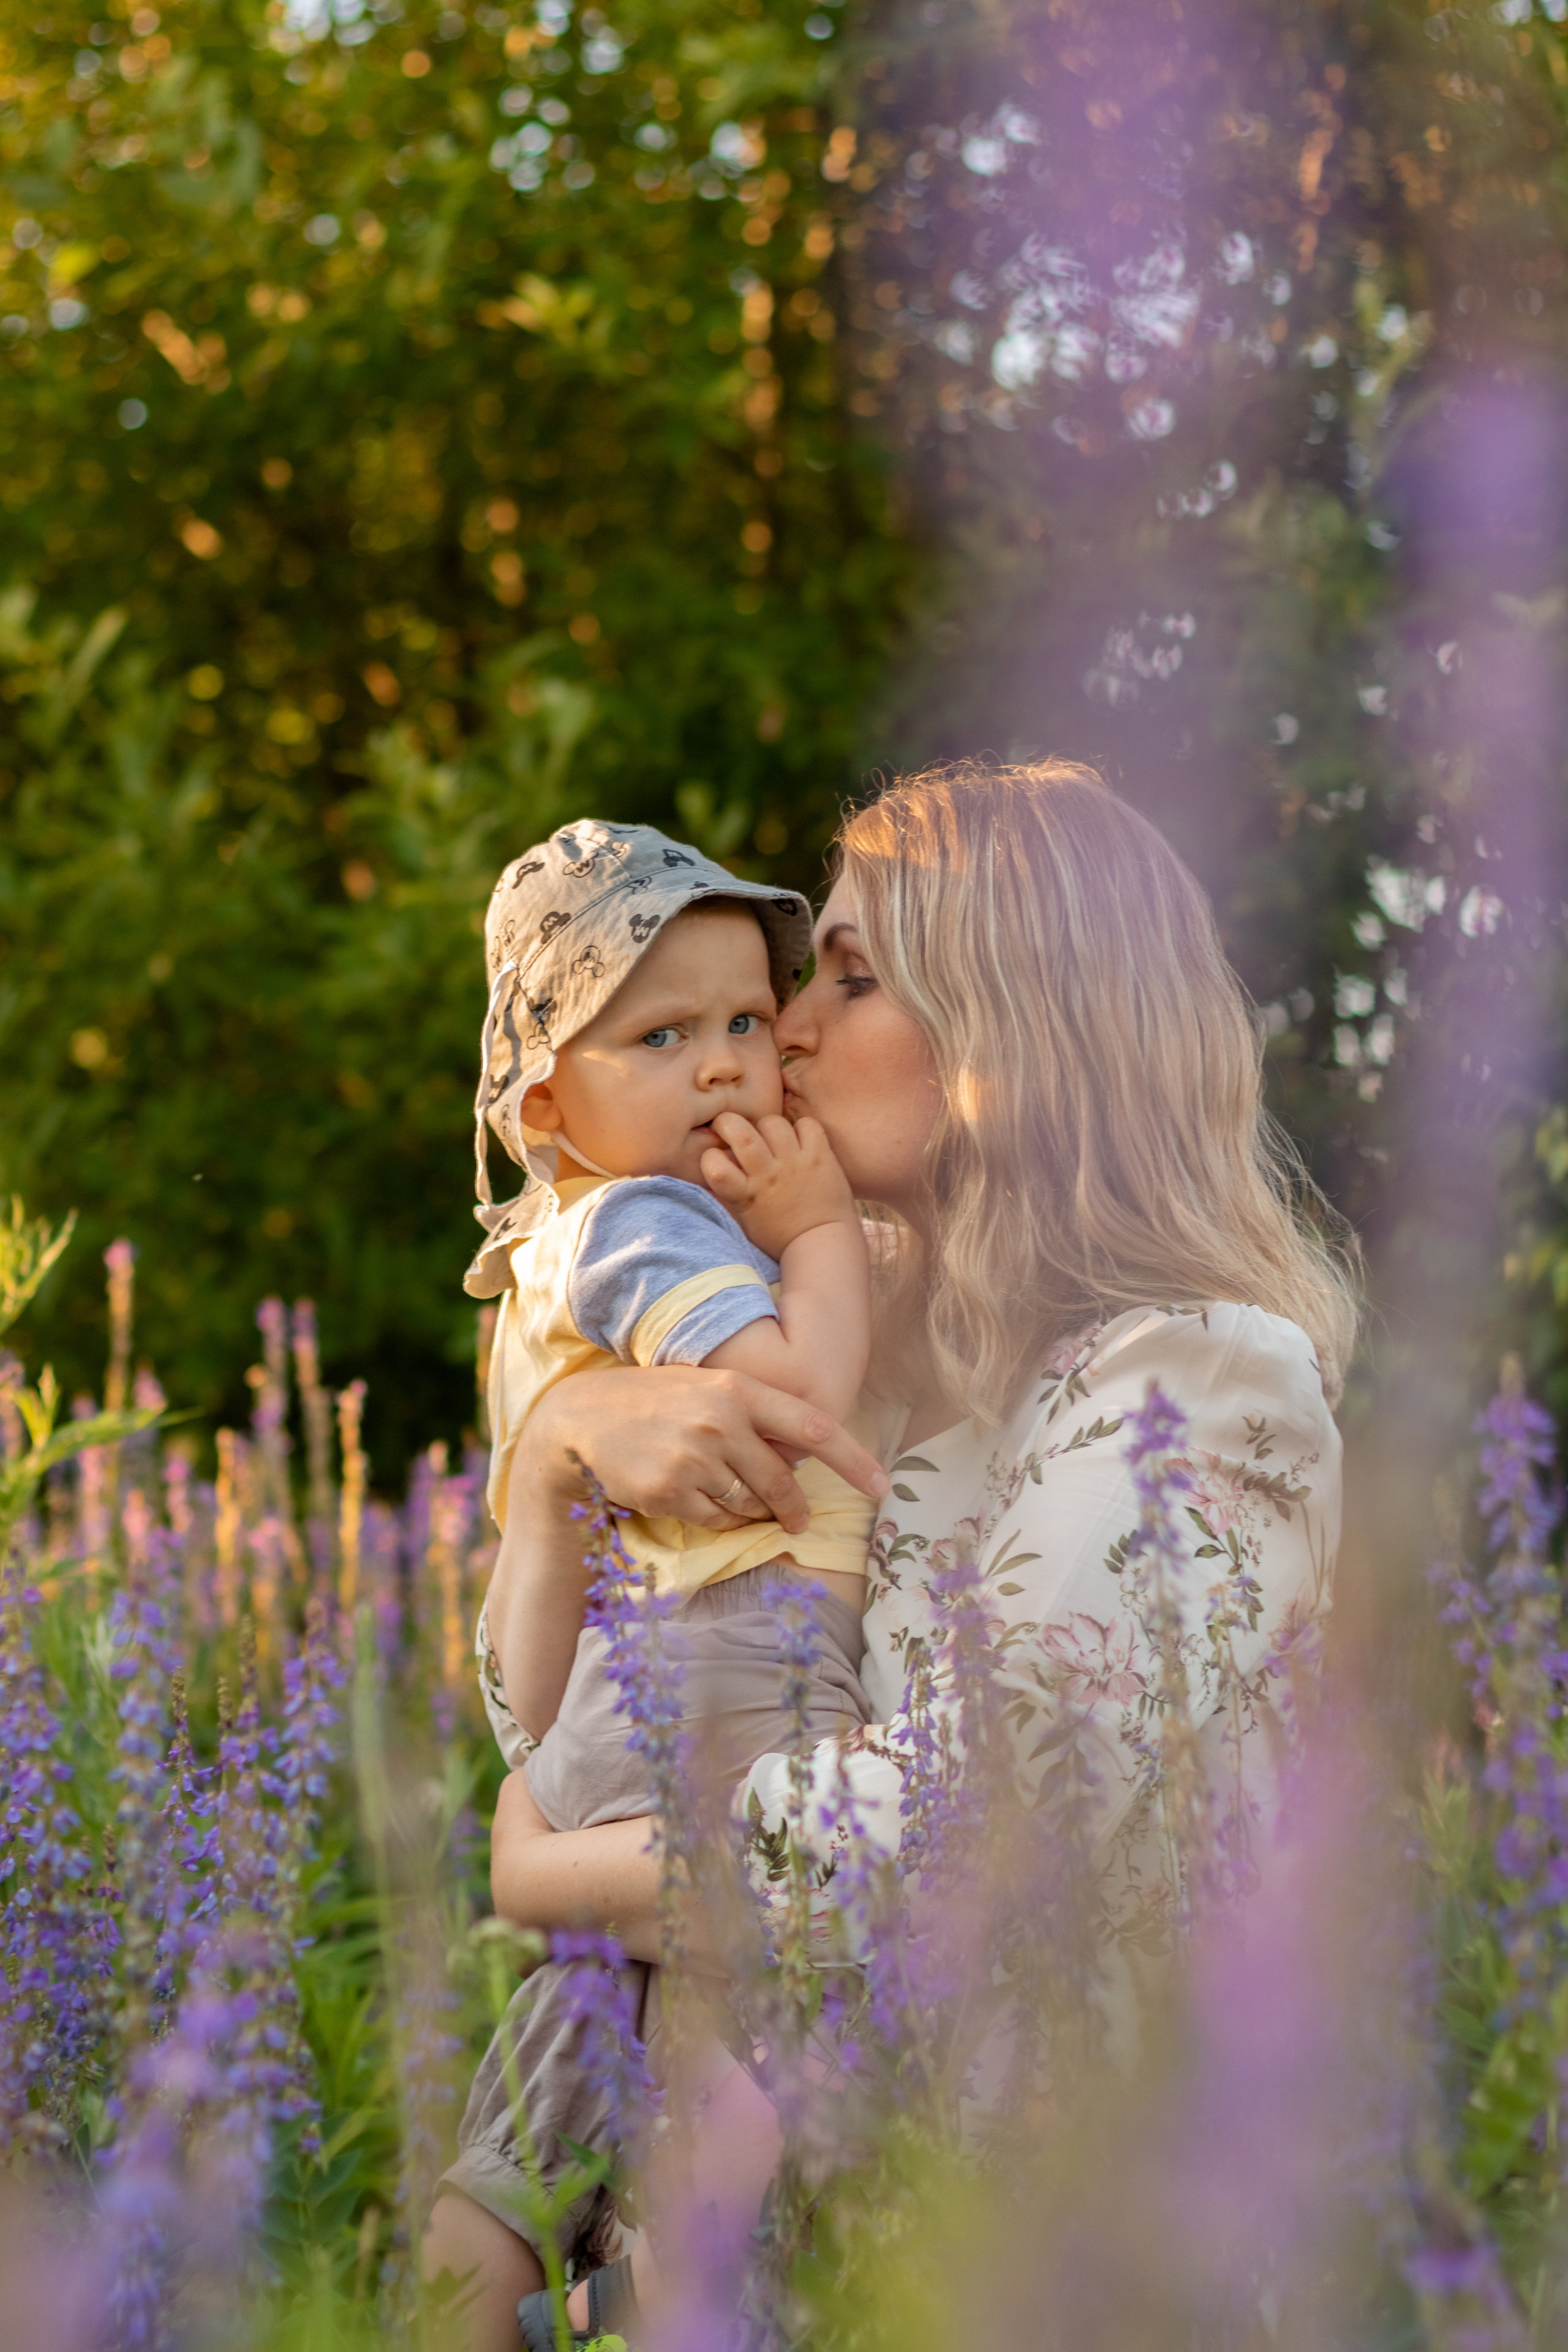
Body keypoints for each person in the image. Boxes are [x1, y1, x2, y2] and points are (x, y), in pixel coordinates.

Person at [423, 759, 1355, 2350]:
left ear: (1013, 1033)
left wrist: (543, 1873)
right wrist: (558, 1461)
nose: (775, 1034)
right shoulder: (832, 1352)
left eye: (843, 982)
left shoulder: (1198, 1387)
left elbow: (938, 1841)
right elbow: (551, 1731)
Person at [438, 820, 893, 2346]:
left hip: (603, 1695)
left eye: (746, 1024)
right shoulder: (649, 1225)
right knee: (725, 1998)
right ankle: (652, 2288)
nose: (725, 1066)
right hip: (713, 1657)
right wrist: (819, 1229)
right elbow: (801, 1402)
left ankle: (480, 2270)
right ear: (550, 1101)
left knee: (576, 2021)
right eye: (664, 1033)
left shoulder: (568, 1240)